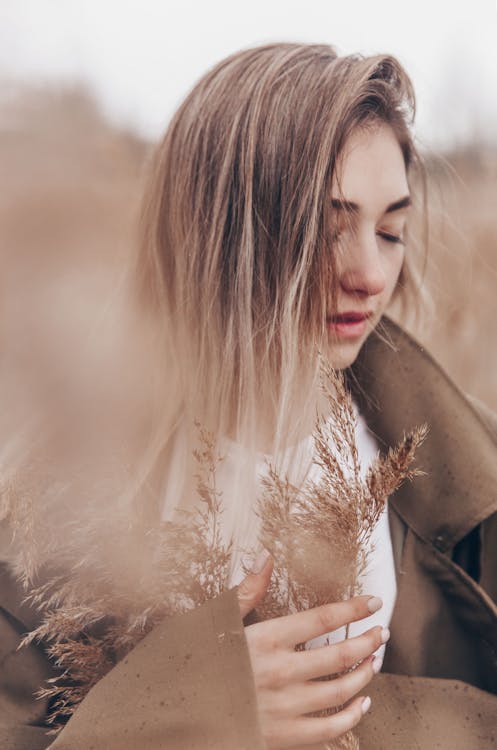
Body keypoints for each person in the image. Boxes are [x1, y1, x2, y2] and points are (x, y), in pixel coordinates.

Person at [1, 43, 496, 750]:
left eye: (390, 230)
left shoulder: (471, 474)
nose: (369, 273)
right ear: (215, 231)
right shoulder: (48, 505)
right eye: (327, 230)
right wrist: (177, 717)